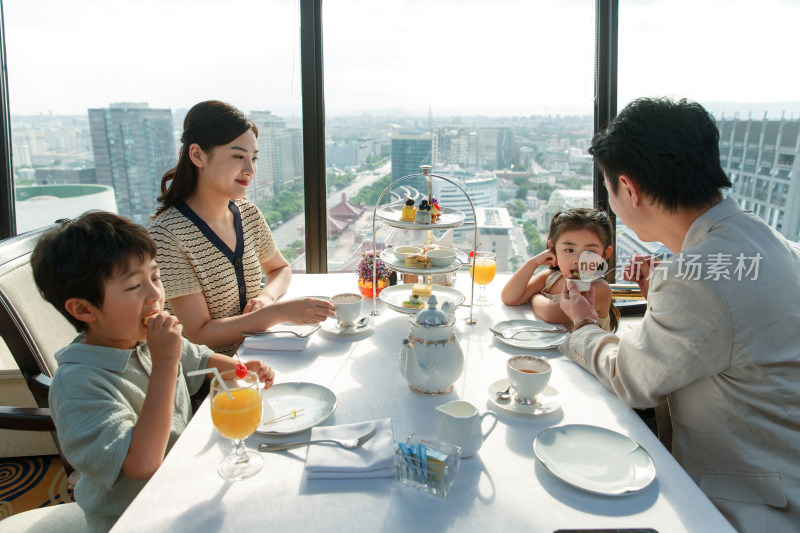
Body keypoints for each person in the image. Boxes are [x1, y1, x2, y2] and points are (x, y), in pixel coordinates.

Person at [558, 97, 800, 532]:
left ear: (628, 189)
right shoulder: (763, 237)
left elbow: (633, 381)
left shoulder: (696, 276)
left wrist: (583, 324)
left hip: (752, 506)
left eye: (609, 190)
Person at [31, 212, 275, 533]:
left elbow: (199, 359)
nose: (155, 296)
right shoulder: (78, 384)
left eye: (156, 278)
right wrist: (164, 364)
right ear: (84, 309)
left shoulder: (142, 339)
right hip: (134, 517)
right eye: (134, 285)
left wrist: (241, 368)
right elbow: (141, 464)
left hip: (181, 487)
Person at [148, 100, 334, 356]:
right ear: (197, 155)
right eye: (238, 156)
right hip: (210, 379)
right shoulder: (167, 236)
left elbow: (280, 269)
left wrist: (267, 297)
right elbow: (199, 334)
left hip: (257, 356)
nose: (250, 170)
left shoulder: (247, 213)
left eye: (253, 158)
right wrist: (278, 312)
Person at [501, 207, 618, 332]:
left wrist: (534, 296)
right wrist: (533, 262)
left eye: (589, 252)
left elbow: (550, 313)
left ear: (605, 254)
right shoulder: (550, 278)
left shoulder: (599, 289)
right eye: (569, 250)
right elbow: (509, 298)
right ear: (553, 248)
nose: (578, 260)